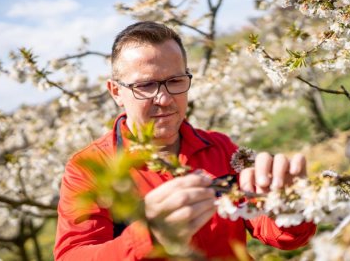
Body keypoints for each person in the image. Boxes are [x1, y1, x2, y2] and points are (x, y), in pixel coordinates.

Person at [54, 21, 316, 260]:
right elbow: (71, 255)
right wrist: (149, 237)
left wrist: (286, 210)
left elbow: (275, 233)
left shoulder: (220, 147)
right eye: (145, 86)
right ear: (116, 92)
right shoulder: (89, 167)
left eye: (175, 81)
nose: (165, 98)